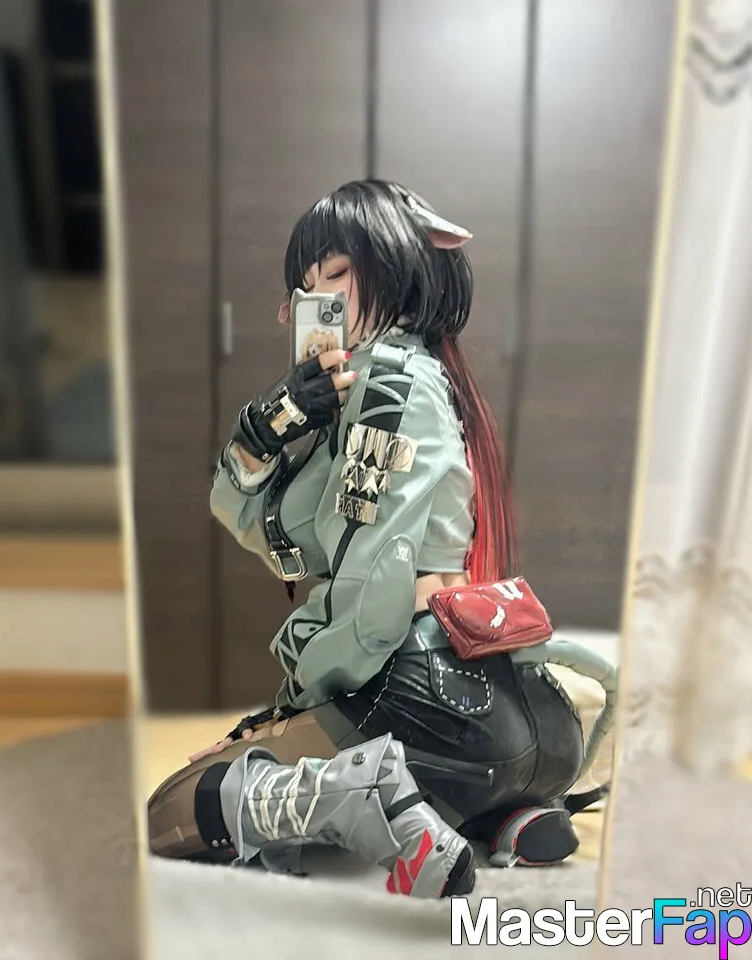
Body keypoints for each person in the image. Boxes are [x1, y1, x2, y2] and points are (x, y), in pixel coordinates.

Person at [147, 180, 594, 895]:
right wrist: (275, 422)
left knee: (175, 809)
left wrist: (297, 705)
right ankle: (500, 814)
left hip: (426, 698)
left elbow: (370, 583)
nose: (315, 299)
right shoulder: (392, 387)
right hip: (520, 716)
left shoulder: (387, 390)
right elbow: (265, 526)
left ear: (397, 266)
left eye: (336, 273)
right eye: (305, 286)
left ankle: (369, 795)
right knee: (288, 759)